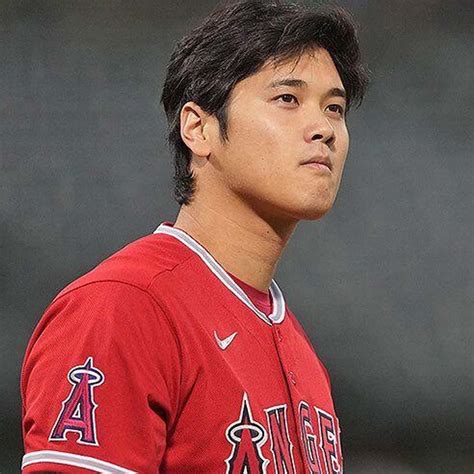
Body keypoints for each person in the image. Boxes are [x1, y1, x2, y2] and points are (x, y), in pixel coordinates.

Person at [20, 0, 368, 472]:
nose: (324, 128)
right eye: (288, 99)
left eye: (334, 107)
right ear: (198, 128)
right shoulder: (123, 308)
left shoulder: (302, 352)